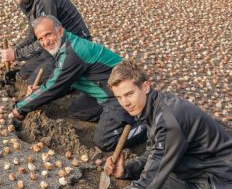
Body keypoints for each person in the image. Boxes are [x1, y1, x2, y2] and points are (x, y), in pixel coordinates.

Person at [105, 61, 232, 189]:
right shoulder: (155, 109)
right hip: (200, 178)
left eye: (129, 94)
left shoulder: (169, 120)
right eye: (119, 97)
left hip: (228, 184)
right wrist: (127, 171)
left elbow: (150, 181)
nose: (125, 103)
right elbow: (154, 154)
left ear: (145, 87)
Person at [11, 15, 145, 151]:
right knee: (77, 110)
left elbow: (53, 86)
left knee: (105, 141)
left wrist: (20, 108)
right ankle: (117, 119)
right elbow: (60, 82)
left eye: (48, 35)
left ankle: (146, 124)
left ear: (60, 31)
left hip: (121, 95)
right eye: (41, 39)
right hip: (103, 92)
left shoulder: (73, 52)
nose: (45, 42)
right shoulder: (64, 45)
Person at [0, 0, 91, 90]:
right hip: (55, 45)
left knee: (33, 82)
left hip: (76, 45)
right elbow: (33, 34)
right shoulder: (24, 1)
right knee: (23, 74)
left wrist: (16, 54)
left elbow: (47, 38)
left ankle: (74, 82)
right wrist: (16, 50)